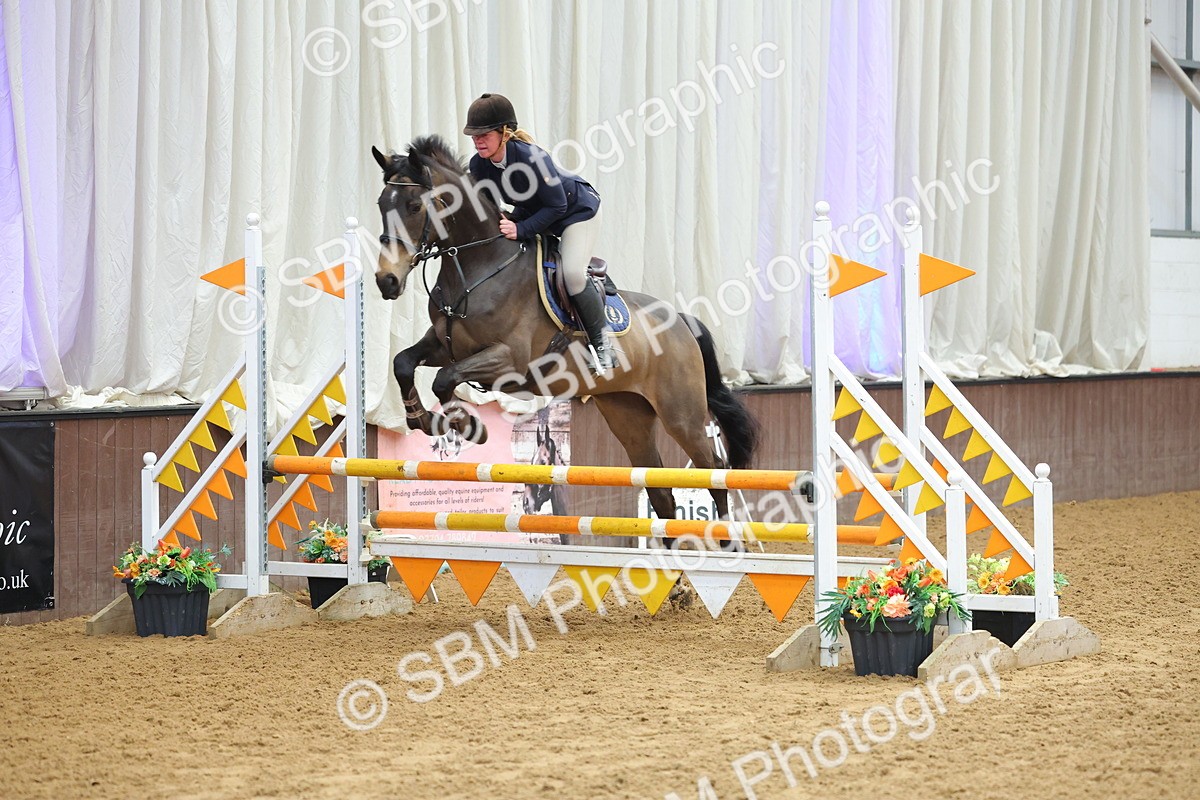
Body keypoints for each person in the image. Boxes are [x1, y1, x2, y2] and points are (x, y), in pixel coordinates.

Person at [462, 92, 614, 375]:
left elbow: (558, 205)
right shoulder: (478, 165)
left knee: (572, 274)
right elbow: (489, 207)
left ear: (504, 133)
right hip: (536, 211)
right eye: (474, 136)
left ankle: (604, 345)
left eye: (484, 134)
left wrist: (520, 228)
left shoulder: (532, 157)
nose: (478, 141)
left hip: (576, 212)